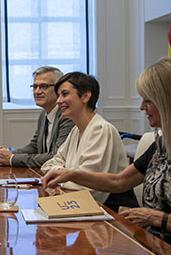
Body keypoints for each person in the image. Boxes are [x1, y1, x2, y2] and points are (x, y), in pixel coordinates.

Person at [41, 57, 171, 255]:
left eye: (148, 100)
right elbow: (119, 181)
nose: (142, 107)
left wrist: (155, 217)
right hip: (158, 252)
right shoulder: (162, 145)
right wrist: (71, 175)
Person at [40, 72, 138, 212]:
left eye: (65, 94)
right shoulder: (76, 130)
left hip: (115, 215)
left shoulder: (101, 130)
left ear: (86, 96)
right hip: (81, 206)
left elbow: (88, 187)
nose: (58, 101)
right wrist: (62, 173)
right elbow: (49, 165)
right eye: (59, 95)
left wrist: (60, 175)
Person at [0, 66, 75, 167]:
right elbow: (34, 146)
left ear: (58, 89)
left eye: (44, 86)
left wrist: (12, 158)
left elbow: (56, 157)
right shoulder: (44, 114)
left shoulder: (67, 116)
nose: (37, 91)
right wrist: (6, 154)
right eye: (35, 86)